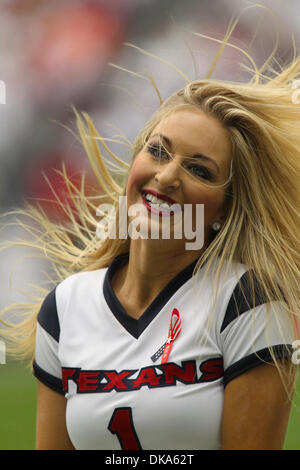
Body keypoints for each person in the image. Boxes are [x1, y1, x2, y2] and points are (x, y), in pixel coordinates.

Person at [1, 14, 300, 451]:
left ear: (224, 209)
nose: (168, 175)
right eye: (157, 151)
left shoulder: (247, 304)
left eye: (199, 169)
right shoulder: (65, 307)